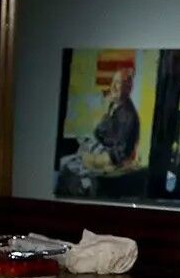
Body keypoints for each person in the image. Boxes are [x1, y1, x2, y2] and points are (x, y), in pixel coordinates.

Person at [56, 67, 140, 195]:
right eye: (113, 81)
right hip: (95, 153)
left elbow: (118, 154)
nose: (114, 86)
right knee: (63, 164)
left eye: (119, 83)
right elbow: (99, 132)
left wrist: (92, 160)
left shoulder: (127, 116)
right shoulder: (114, 106)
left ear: (128, 88)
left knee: (67, 173)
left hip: (107, 165)